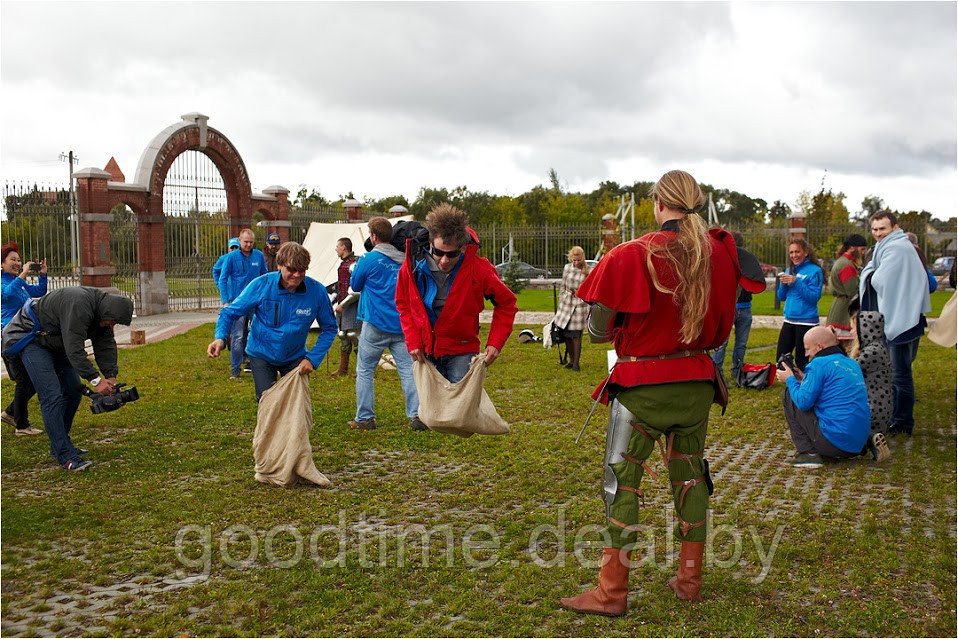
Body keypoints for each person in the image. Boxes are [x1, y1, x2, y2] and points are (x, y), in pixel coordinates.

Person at [560, 170, 744, 616]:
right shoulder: (720, 252)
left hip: (643, 388)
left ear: (659, 204)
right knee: (690, 476)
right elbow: (725, 321)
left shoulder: (630, 254)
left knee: (620, 482)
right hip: (697, 384)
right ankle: (690, 580)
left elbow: (598, 330)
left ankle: (611, 592)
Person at [1, 286, 134, 471]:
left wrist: (110, 377)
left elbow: (105, 345)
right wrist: (96, 381)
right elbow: (75, 350)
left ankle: (60, 445)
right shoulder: (79, 305)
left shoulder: (103, 313)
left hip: (55, 342)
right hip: (33, 341)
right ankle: (66, 456)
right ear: (108, 312)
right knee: (52, 396)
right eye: (112, 321)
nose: (112, 325)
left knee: (72, 391)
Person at [395, 203, 517, 384]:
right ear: (430, 244)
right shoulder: (412, 266)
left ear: (462, 248)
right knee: (431, 409)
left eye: (451, 254)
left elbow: (507, 303)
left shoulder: (478, 269)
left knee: (460, 410)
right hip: (426, 350)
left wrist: (495, 343)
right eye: (438, 252)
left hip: (462, 350)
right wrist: (412, 340)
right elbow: (403, 303)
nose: (444, 260)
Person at [207, 242, 337, 401]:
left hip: (294, 356)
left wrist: (312, 359)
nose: (296, 275)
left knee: (294, 405)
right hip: (262, 353)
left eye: (301, 270)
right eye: (291, 269)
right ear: (279, 265)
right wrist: (220, 337)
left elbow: (330, 329)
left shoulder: (316, 291)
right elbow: (229, 312)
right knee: (267, 402)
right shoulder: (261, 285)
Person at [859, 212, 930, 437]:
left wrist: (869, 271)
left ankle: (902, 422)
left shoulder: (897, 248)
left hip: (902, 319)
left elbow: (879, 279)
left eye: (883, 229)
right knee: (897, 372)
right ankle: (897, 418)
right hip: (903, 315)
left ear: (895, 227)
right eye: (875, 229)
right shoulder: (892, 246)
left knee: (900, 374)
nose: (878, 233)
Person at [349, 218, 422, 431]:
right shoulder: (405, 260)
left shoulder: (368, 259)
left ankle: (365, 418)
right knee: (408, 371)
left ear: (373, 237)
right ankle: (416, 414)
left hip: (374, 323)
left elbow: (355, 285)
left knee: (365, 370)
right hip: (401, 324)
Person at [775, 326, 871, 469]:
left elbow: (803, 402)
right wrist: (803, 379)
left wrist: (790, 379)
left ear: (819, 347)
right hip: (858, 444)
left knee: (790, 395)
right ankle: (865, 440)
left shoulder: (818, 364)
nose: (806, 354)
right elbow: (832, 388)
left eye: (808, 349)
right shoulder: (851, 362)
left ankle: (809, 454)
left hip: (835, 443)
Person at [1, 242, 47, 435]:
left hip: (23, 335)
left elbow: (38, 292)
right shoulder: (5, 282)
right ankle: (21, 425)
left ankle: (11, 413)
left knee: (30, 379)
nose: (18, 263)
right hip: (10, 337)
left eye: (19, 260)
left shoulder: (17, 282)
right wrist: (22, 274)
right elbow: (7, 293)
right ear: (1, 263)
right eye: (13, 259)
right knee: (25, 380)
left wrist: (42, 274)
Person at [217, 228, 267, 379]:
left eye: (251, 242)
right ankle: (235, 369)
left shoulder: (258, 255)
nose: (248, 245)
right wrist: (226, 301)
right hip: (237, 302)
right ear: (239, 240)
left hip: (255, 301)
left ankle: (257, 365)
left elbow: (264, 276)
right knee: (238, 336)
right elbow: (223, 278)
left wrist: (265, 295)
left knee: (258, 332)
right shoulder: (231, 257)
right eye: (245, 242)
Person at [848, 309, 893, 451]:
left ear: (865, 329)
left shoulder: (872, 351)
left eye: (854, 329)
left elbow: (847, 372)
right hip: (875, 407)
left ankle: (869, 440)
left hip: (874, 410)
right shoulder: (875, 347)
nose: (851, 333)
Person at [776, 239, 824, 371]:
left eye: (797, 251)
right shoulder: (789, 269)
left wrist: (796, 282)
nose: (794, 255)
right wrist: (783, 284)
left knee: (801, 360)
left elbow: (814, 297)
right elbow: (781, 297)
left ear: (806, 252)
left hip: (806, 322)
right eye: (791, 252)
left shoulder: (815, 271)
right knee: (781, 357)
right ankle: (790, 381)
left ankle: (805, 384)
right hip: (789, 319)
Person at [711, 231, 753, 383]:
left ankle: (738, 372)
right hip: (729, 307)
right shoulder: (722, 261)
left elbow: (753, 283)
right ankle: (717, 374)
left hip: (745, 307)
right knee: (721, 344)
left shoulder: (747, 262)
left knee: (741, 344)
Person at [553, 246, 591, 371]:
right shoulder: (567, 268)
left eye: (578, 260)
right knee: (567, 334)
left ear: (582, 258)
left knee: (576, 335)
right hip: (566, 303)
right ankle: (570, 360)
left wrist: (587, 305)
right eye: (574, 260)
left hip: (580, 305)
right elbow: (563, 285)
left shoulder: (588, 271)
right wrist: (562, 298)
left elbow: (590, 290)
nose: (576, 262)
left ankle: (576, 363)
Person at [825, 234, 867, 343]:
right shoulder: (847, 265)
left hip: (839, 307)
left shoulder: (842, 261)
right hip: (843, 312)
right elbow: (852, 291)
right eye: (862, 249)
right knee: (847, 348)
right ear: (852, 248)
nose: (863, 253)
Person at [331, 237, 361, 377]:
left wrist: (343, 304)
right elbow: (341, 286)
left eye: (337, 246)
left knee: (354, 335)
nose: (336, 249)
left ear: (344, 248)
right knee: (343, 335)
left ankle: (361, 369)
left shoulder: (354, 264)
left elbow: (356, 291)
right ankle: (343, 369)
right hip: (342, 305)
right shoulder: (343, 264)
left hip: (352, 306)